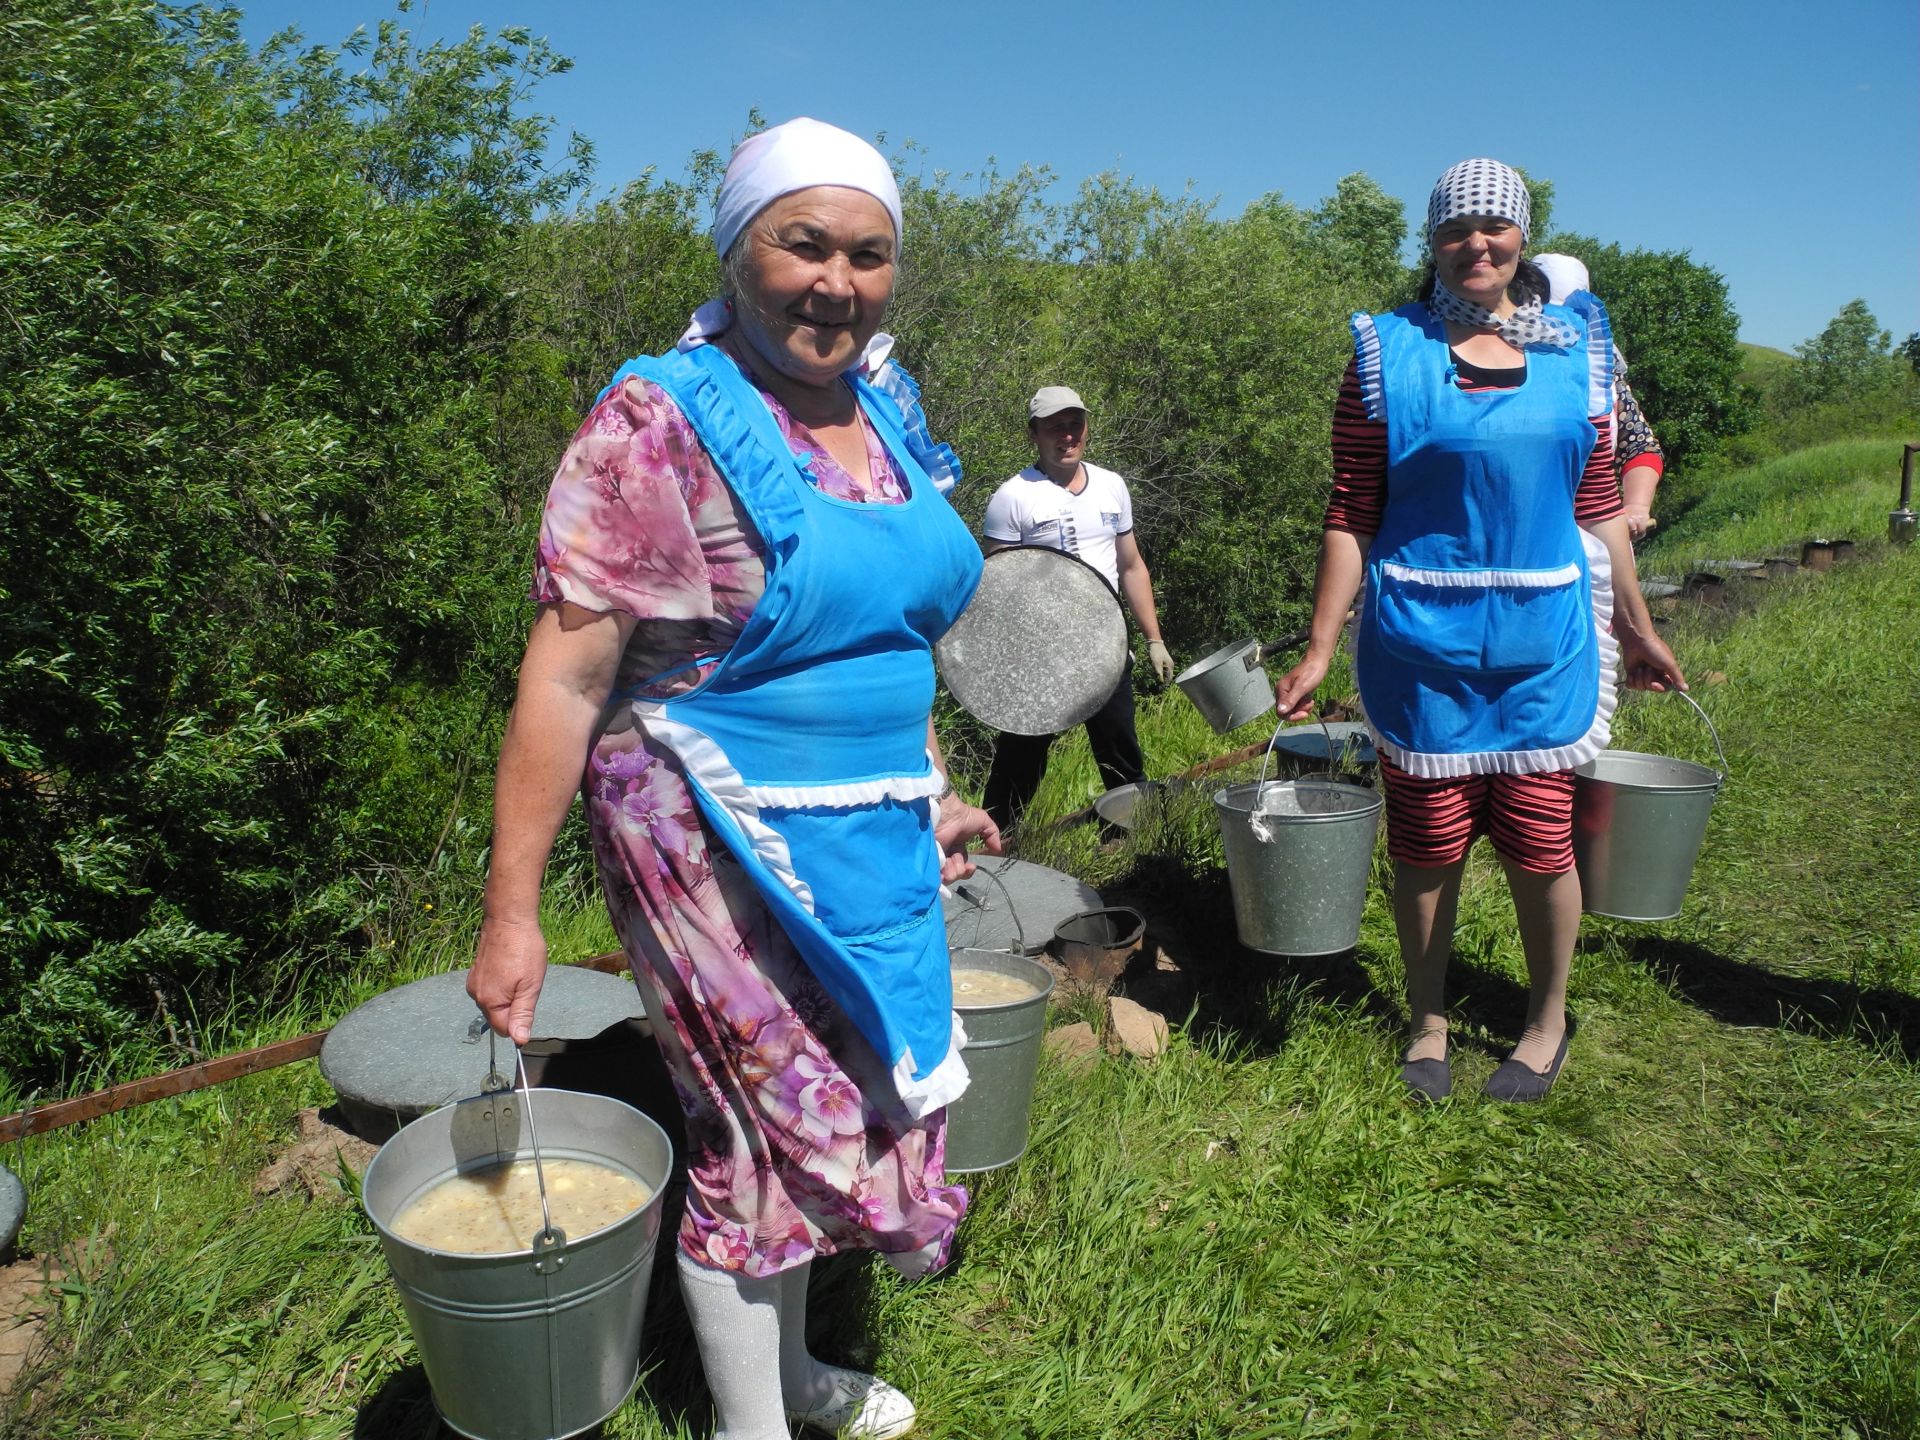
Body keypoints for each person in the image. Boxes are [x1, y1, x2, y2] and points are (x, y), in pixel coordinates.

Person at [468, 116, 1002, 1440]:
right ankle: (750, 1423)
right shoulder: (659, 421)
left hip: (863, 817)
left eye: (868, 254)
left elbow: (890, 637)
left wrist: (930, 787)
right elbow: (565, 680)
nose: (837, 281)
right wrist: (512, 909)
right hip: (699, 826)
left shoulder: (889, 405)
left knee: (871, 1086)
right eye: (802, 243)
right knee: (764, 1134)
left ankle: (796, 1371)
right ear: (738, 246)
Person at [1274, 158, 1685, 1105]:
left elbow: (1599, 511)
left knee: (1542, 844)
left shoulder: (1574, 353)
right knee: (1427, 844)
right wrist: (1321, 646)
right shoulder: (1386, 354)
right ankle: (1429, 1020)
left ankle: (1544, 1025)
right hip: (1421, 649)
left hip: (1544, 647)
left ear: (1521, 238)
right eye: (1457, 230)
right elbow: (1353, 508)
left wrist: (1637, 624)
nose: (1478, 245)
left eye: (1495, 228)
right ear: (1434, 242)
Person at [979, 387, 1173, 831]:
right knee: (1020, 756)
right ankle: (997, 843)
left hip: (1106, 647)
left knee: (1120, 752)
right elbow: (999, 589)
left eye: (1074, 424)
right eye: (1054, 426)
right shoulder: (1013, 498)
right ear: (1034, 434)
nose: (1067, 435)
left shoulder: (1111, 486)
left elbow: (1131, 566)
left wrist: (1153, 638)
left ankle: (1125, 841)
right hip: (1040, 656)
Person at [1534, 253, 1667, 539]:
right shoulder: (1507, 364)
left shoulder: (1605, 376)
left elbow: (1640, 446)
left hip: (1597, 535)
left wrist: (1636, 506)